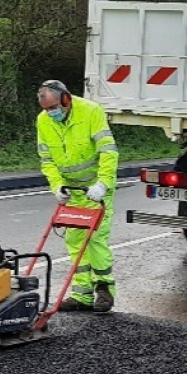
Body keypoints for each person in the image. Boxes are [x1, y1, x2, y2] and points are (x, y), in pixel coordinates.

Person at [35, 79, 120, 312]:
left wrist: (102, 184)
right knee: (74, 241)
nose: (51, 113)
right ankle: (81, 294)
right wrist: (57, 186)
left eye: (54, 107)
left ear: (66, 98)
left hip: (95, 190)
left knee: (95, 239)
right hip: (72, 191)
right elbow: (47, 160)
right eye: (47, 109)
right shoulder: (43, 121)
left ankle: (104, 289)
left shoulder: (91, 112)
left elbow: (108, 152)